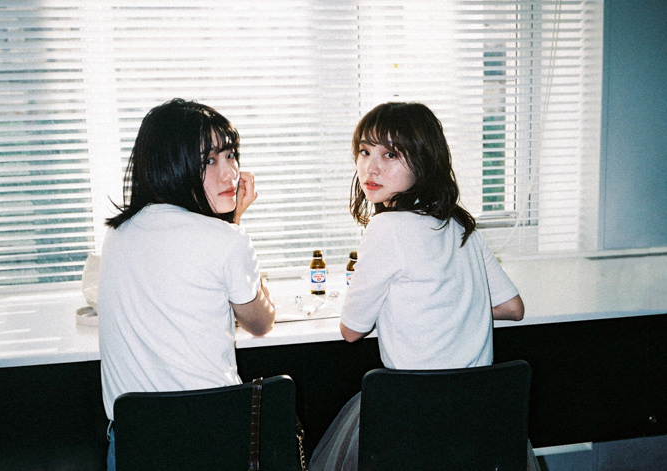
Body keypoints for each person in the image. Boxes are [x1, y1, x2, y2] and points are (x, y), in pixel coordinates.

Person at [308, 102, 539, 471]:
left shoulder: (386, 228)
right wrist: (451, 302)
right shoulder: (460, 225)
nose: (371, 167)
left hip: (414, 419)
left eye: (390, 154)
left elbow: (352, 330)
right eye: (365, 152)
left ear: (423, 161)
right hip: (475, 418)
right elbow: (513, 307)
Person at [97, 98, 275, 471]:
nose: (230, 174)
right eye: (209, 161)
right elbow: (261, 323)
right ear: (171, 165)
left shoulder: (117, 236)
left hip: (133, 445)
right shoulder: (225, 240)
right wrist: (234, 225)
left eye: (230, 155)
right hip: (209, 441)